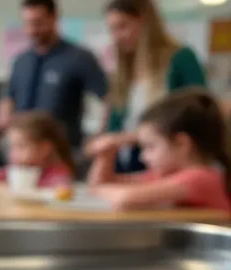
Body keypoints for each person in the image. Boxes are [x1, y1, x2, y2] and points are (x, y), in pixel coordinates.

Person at [86, 0, 207, 173]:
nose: (117, 36)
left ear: (145, 22)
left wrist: (126, 138)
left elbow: (198, 113)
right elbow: (115, 122)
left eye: (122, 26)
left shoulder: (180, 59)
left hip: (166, 164)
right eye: (112, 29)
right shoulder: (124, 69)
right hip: (125, 163)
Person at [88, 89, 230, 212]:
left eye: (150, 147)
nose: (143, 157)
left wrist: (98, 189)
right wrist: (107, 152)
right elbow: (106, 182)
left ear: (182, 144)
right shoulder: (167, 175)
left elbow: (126, 199)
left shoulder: (200, 177)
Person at [0, 0, 108, 150]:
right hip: (24, 152)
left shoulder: (79, 57)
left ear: (54, 17)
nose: (32, 30)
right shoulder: (20, 61)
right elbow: (8, 100)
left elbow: (109, 99)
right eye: (27, 23)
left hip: (63, 152)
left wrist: (100, 136)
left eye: (37, 23)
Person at [0, 111, 75, 188]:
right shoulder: (23, 169)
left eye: (21, 146)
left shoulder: (59, 174)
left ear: (45, 148)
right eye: (12, 147)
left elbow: (62, 187)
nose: (13, 154)